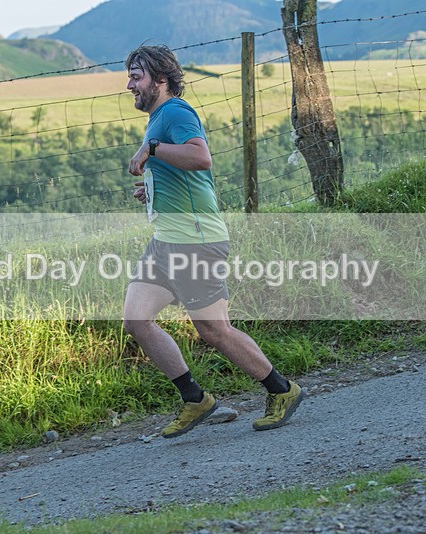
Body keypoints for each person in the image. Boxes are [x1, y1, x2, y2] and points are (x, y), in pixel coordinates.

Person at [122, 45, 303, 438]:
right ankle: (195, 399)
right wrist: (152, 189)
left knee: (214, 330)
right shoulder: (158, 118)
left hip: (195, 241)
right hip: (166, 240)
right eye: (130, 76)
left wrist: (151, 149)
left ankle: (282, 390)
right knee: (137, 319)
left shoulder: (175, 111)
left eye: (137, 76)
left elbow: (201, 157)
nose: (130, 84)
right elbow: (184, 171)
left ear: (161, 79)